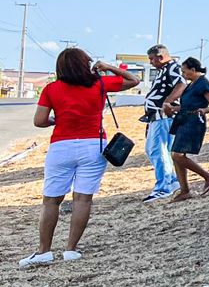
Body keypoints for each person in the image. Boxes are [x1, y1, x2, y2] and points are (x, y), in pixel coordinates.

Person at [21, 51, 139, 268]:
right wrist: (108, 67)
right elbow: (134, 80)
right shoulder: (99, 83)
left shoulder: (51, 89)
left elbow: (39, 121)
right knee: (83, 199)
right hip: (93, 145)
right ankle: (71, 249)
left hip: (61, 146)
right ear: (87, 64)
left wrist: (54, 121)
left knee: (51, 200)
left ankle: (44, 251)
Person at [165, 57, 209, 201]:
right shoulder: (192, 84)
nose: (183, 74)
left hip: (193, 122)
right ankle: (184, 190)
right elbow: (187, 105)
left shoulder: (203, 84)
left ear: (193, 70)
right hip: (185, 120)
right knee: (176, 156)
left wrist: (204, 110)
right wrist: (173, 108)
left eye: (184, 71)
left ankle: (208, 177)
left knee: (177, 155)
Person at [140, 45, 184, 203]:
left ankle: (164, 186)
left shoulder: (172, 68)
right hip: (157, 116)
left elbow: (181, 84)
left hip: (163, 115)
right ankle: (171, 180)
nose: (151, 63)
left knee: (158, 150)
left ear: (160, 57)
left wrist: (167, 102)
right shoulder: (164, 70)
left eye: (152, 59)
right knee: (154, 150)